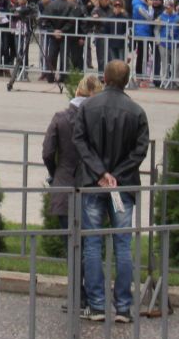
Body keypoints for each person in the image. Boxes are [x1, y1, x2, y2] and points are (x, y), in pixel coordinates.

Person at [70, 59, 150, 323]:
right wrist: (115, 174)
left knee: (92, 244)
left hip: (95, 183)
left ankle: (96, 305)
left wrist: (100, 173)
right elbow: (140, 151)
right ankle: (124, 307)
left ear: (104, 78)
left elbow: (79, 141)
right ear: (127, 81)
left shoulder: (88, 106)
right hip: (121, 184)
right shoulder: (136, 112)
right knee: (123, 245)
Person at [42, 73, 102, 296]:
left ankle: (78, 294)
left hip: (65, 183)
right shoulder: (98, 120)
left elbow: (48, 152)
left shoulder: (61, 118)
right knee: (90, 245)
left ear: (77, 92)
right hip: (92, 186)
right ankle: (92, 295)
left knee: (72, 245)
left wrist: (54, 173)